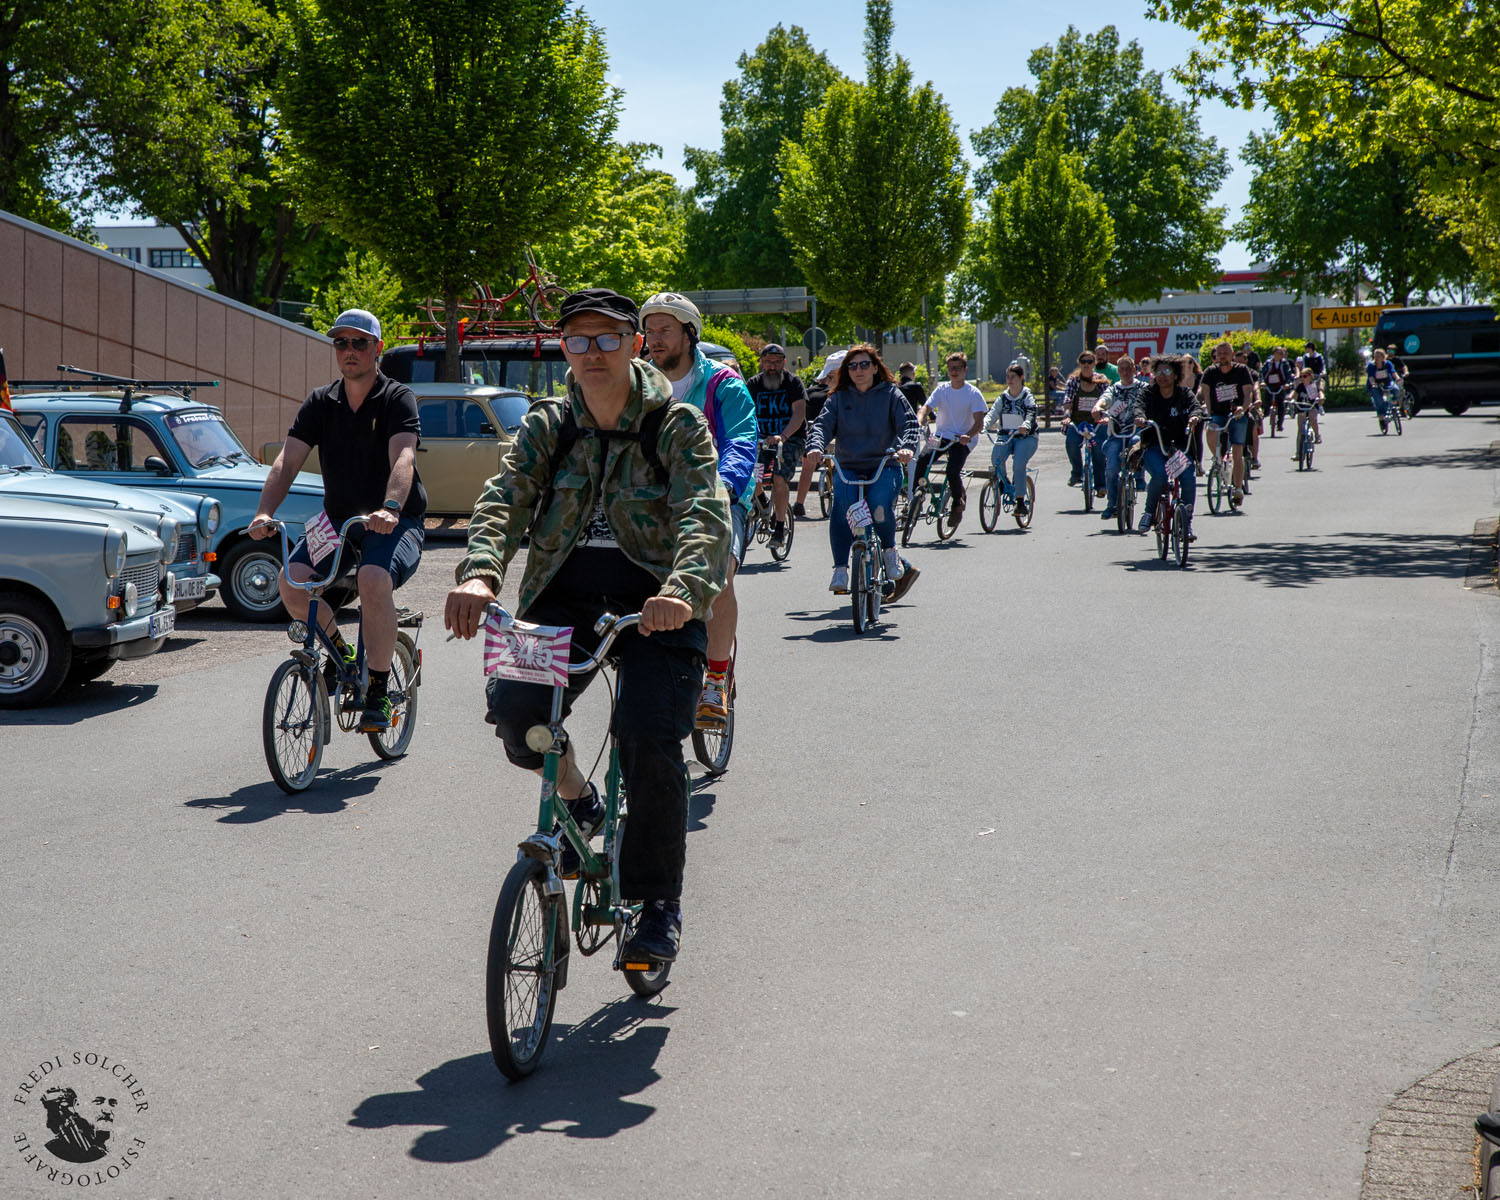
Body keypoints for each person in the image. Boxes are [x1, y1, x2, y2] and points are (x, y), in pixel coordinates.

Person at [444, 288, 731, 965]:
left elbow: (705, 518)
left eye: (607, 338)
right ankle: (580, 799)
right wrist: (481, 572)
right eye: (578, 339)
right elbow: (504, 496)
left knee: (648, 738)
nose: (592, 352)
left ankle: (658, 905)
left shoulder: (677, 424)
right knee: (517, 718)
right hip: (561, 601)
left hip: (657, 606)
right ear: (563, 349)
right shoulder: (551, 424)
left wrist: (683, 591)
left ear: (636, 344)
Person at [251, 308, 426, 732]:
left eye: (359, 342)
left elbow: (403, 455)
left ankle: (380, 692)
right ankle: (343, 655)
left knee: (372, 578)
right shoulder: (320, 401)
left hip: (394, 521)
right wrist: (264, 511)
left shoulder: (396, 397)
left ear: (377, 348)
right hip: (338, 520)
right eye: (341, 342)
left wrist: (391, 507)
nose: (349, 350)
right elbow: (287, 461)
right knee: (291, 584)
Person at [638, 292, 756, 730]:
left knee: (717, 573)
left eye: (665, 330)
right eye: (649, 331)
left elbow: (741, 442)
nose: (655, 339)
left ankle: (717, 680)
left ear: (690, 335)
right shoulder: (640, 383)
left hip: (718, 498)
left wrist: (721, 489)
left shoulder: (723, 384)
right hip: (653, 502)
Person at [805, 343, 918, 595]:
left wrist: (907, 447)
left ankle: (889, 550)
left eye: (865, 364)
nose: (859, 370)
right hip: (849, 467)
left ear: (875, 367)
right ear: (847, 370)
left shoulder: (891, 393)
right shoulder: (839, 397)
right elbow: (822, 425)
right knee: (842, 508)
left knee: (878, 505)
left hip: (884, 465)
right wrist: (814, 446)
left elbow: (909, 424)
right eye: (853, 365)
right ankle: (840, 569)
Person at [913, 351, 987, 527]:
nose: (954, 372)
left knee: (952, 470)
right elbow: (925, 408)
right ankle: (918, 496)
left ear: (965, 369)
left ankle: (957, 503)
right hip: (941, 435)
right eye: (951, 368)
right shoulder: (942, 390)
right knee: (922, 460)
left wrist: (968, 435)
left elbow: (979, 422)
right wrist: (918, 420)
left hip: (962, 438)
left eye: (958, 368)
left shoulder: (973, 393)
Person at [744, 343, 806, 550]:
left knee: (779, 477)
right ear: (761, 362)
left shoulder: (793, 382)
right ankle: (761, 503)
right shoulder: (753, 384)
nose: (772, 366)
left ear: (783, 363)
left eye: (777, 362)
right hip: (760, 439)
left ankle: (779, 527)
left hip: (790, 438)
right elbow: (744, 412)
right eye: (768, 362)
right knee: (749, 474)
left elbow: (799, 412)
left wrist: (783, 435)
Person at [1136, 356, 1201, 537]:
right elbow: (1138, 407)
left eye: (1167, 371)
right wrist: (1140, 417)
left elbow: (1196, 407)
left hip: (1178, 448)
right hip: (1155, 447)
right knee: (1160, 475)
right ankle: (1149, 513)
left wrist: (1195, 416)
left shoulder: (1183, 393)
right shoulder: (1148, 393)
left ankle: (1186, 522)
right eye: (1158, 372)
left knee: (1188, 476)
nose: (1162, 376)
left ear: (1175, 375)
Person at [1199, 339, 1256, 505]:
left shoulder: (1242, 370)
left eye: (1226, 353)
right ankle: (1218, 461)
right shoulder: (1210, 372)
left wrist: (1242, 409)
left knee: (1238, 450)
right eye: (1219, 354)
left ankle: (1238, 488)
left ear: (1232, 355)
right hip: (1218, 413)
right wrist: (1208, 413)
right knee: (1211, 432)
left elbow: (1248, 394)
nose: (1222, 356)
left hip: (1236, 414)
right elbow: (1206, 394)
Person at [793, 349, 845, 518]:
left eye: (832, 378)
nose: (829, 383)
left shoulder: (809, 393)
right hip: (831, 440)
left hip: (812, 436)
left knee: (807, 468)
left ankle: (799, 503)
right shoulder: (834, 397)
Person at [1093, 355, 1145, 521]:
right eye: (1121, 368)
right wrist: (1098, 408)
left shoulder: (1143, 387)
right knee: (1111, 467)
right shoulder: (1114, 388)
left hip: (1135, 430)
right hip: (1116, 433)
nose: (1125, 372)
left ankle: (1139, 476)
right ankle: (1112, 505)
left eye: (1128, 368)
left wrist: (1144, 417)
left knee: (1137, 444)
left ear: (1134, 370)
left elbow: (1150, 402)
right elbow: (1104, 400)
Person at [983, 361, 1037, 517]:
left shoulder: (1027, 395)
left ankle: (1020, 502)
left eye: (1013, 377)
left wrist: (1026, 425)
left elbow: (1031, 413)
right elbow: (993, 413)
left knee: (1019, 464)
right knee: (996, 458)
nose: (1009, 380)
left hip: (1026, 437)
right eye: (1007, 377)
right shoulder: (1003, 397)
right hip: (1006, 434)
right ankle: (1003, 482)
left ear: (1021, 378)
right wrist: (984, 425)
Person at [1061, 351, 1108, 494]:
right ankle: (1077, 472)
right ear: (1079, 363)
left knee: (1098, 449)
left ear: (1094, 363)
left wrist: (1105, 416)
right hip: (1077, 422)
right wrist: (1067, 417)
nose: (1086, 364)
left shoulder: (1101, 380)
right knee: (1071, 442)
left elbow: (1107, 400)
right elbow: (1068, 401)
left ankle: (1100, 485)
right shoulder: (1073, 381)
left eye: (1089, 361)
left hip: (1097, 422)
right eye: (1083, 362)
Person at [1260, 345, 1295, 435]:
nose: (1281, 355)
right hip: (1269, 385)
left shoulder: (1284, 363)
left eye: (1282, 353)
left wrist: (1287, 383)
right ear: (1274, 354)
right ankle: (1266, 411)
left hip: (1280, 386)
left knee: (1281, 405)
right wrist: (1262, 382)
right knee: (1266, 400)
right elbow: (1262, 373)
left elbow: (1288, 374)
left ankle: (1279, 424)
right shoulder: (1268, 363)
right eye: (1279, 353)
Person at [1366, 346, 1402, 431]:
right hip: (1375, 385)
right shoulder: (1371, 365)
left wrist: (1397, 378)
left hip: (1387, 382)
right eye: (1375, 356)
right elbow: (1371, 377)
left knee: (1396, 390)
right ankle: (1382, 420)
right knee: (1379, 401)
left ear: (1383, 357)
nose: (1376, 358)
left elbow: (1393, 372)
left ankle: (1393, 405)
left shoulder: (1387, 364)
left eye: (1378, 356)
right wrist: (1373, 383)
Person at [1291, 365, 1324, 455]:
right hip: (1302, 408)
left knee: (1312, 420)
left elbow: (1320, 393)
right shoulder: (1300, 386)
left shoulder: (1314, 385)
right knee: (1300, 430)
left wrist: (1321, 398)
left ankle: (1317, 435)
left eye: (1304, 376)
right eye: (1301, 376)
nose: (1302, 378)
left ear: (1310, 376)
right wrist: (1290, 399)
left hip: (1312, 407)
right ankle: (1298, 453)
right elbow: (1294, 394)